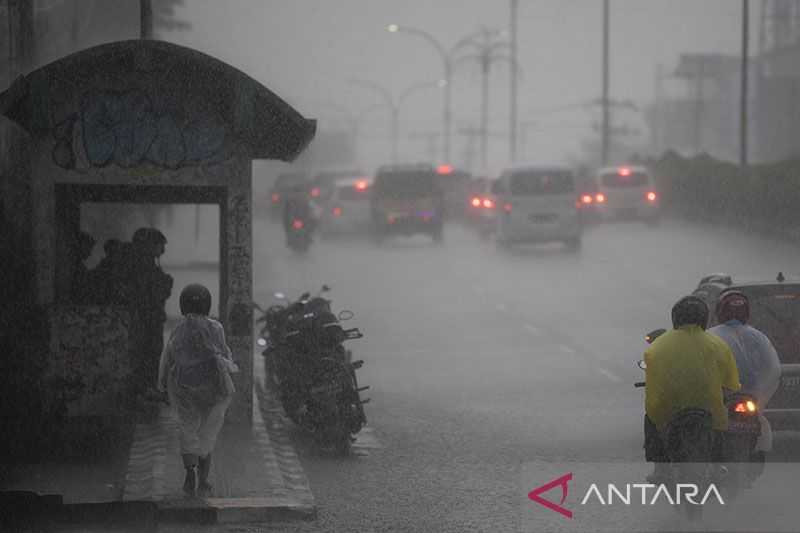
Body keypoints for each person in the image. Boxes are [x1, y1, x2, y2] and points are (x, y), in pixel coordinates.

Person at [643, 295, 741, 481]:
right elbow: (732, 383)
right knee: (723, 428)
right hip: (710, 410)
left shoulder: (657, 347)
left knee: (650, 420)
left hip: (671, 410)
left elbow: (654, 390)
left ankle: (660, 469)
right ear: (704, 318)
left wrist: (657, 412)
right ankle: (719, 466)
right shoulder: (718, 345)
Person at [157, 284, 238, 497]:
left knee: (187, 429)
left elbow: (168, 358)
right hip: (212, 389)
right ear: (207, 304)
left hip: (184, 389)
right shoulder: (216, 328)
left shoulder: (179, 329)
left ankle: (189, 474)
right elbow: (223, 354)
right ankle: (203, 481)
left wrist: (163, 385)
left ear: (183, 305)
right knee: (207, 434)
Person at [708, 291, 781, 456]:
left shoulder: (710, 336)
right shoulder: (759, 337)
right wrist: (760, 397)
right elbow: (774, 369)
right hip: (750, 400)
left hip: (721, 399)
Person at [129, 228, 173, 398]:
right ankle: (144, 387)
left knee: (151, 352)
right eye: (160, 245)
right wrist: (164, 284)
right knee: (148, 353)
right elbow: (149, 292)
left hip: (150, 318)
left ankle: (146, 387)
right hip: (147, 319)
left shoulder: (146, 265)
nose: (163, 250)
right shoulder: (143, 266)